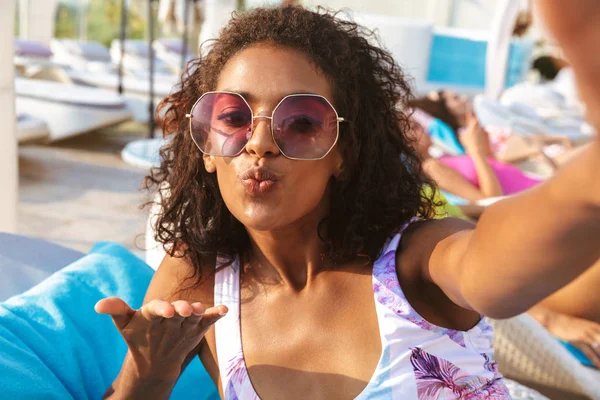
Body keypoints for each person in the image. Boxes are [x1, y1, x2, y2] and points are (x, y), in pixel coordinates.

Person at [95, 3, 600, 399]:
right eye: (233, 117)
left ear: (344, 154)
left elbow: (496, 271)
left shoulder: (414, 263)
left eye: (302, 122)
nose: (260, 142)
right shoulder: (200, 276)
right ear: (206, 145)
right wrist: (149, 375)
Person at [409, 112, 541, 202]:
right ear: (405, 142)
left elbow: (494, 170)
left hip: (533, 190)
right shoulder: (431, 167)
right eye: (414, 127)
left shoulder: (443, 157)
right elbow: (490, 202)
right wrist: (476, 150)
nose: (423, 127)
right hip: (531, 199)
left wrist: (482, 143)